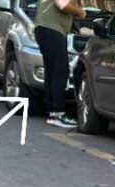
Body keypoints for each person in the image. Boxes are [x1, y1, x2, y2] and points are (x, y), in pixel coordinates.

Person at [34, 0, 85, 128]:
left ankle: (53, 113)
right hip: (51, 29)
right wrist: (80, 12)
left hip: (47, 29)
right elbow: (62, 4)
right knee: (60, 71)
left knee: (52, 72)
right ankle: (58, 113)